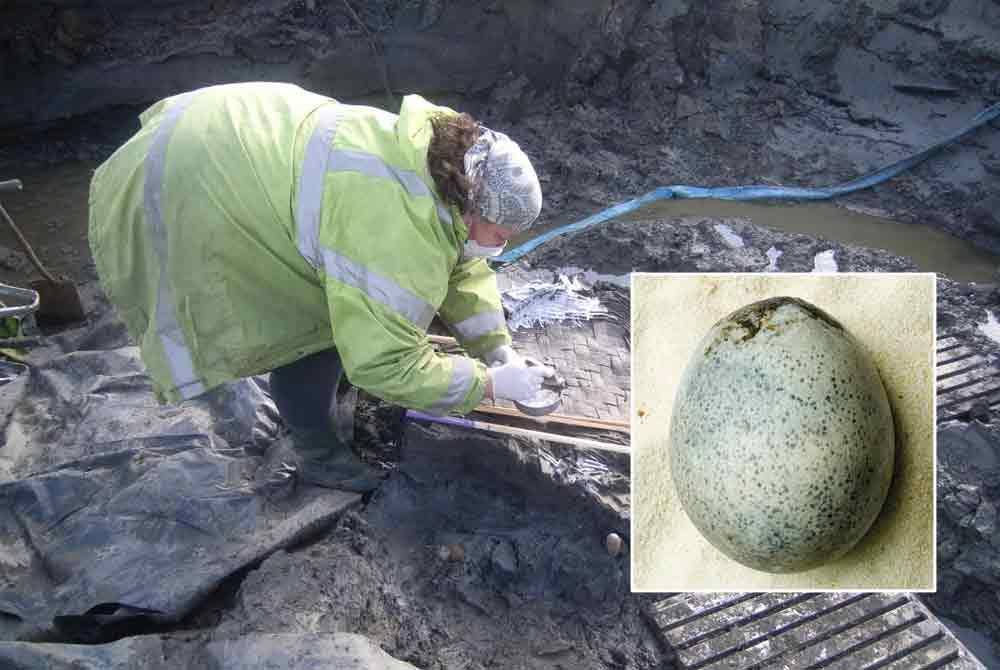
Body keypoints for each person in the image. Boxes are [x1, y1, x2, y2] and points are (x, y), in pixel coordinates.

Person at [88, 81, 552, 493]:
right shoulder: (393, 230)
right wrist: (486, 384)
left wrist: (496, 349)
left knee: (349, 314)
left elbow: (460, 265)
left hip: (229, 134)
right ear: (471, 206)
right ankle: (318, 455)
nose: (502, 245)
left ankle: (323, 408)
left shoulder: (440, 163)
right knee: (314, 332)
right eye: (500, 233)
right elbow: (386, 364)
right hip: (190, 185)